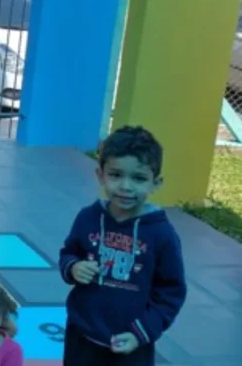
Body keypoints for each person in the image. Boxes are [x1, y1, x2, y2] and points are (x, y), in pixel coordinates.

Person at [58, 126, 186, 366]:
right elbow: (68, 254)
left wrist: (141, 332)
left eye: (138, 178)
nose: (126, 186)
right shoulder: (87, 217)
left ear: (156, 183)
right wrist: (73, 267)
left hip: (131, 345)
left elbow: (171, 293)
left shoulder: (162, 234)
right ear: (101, 175)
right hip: (81, 337)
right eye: (116, 175)